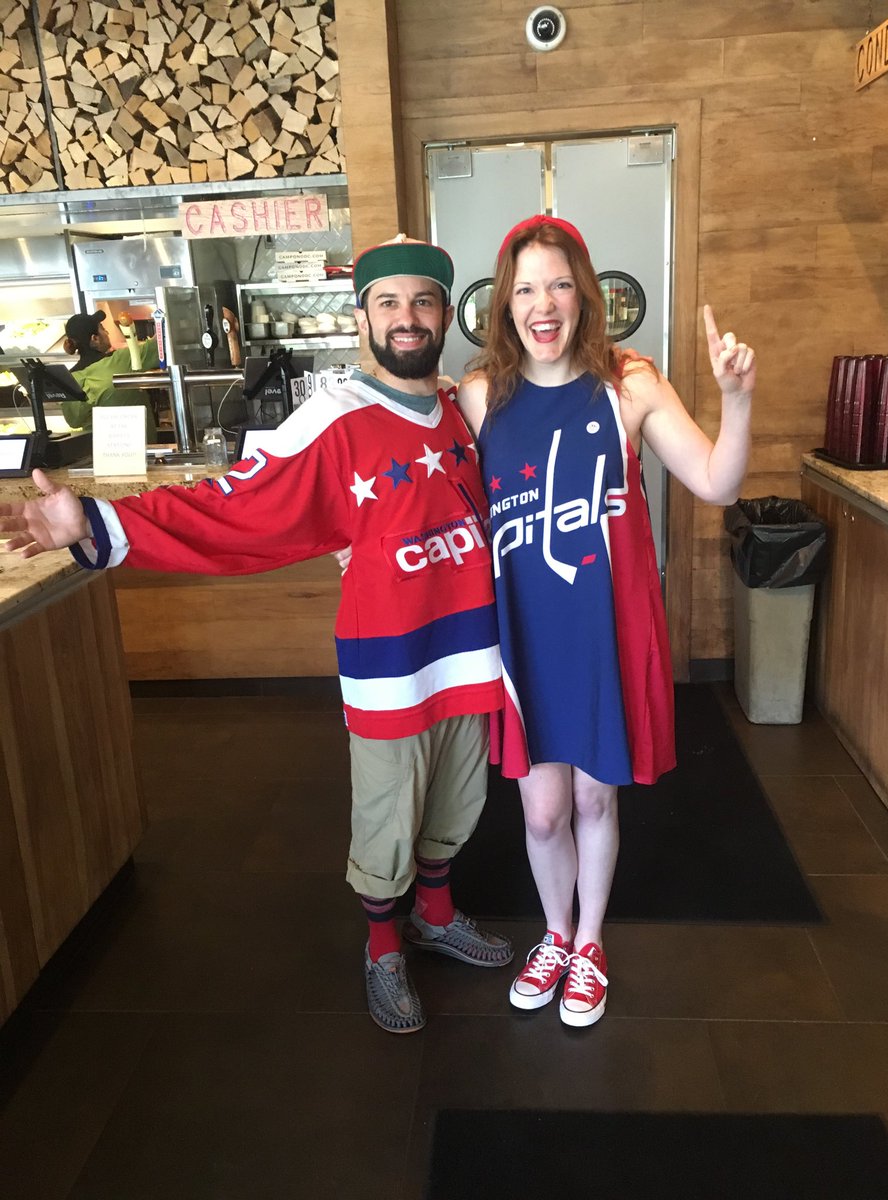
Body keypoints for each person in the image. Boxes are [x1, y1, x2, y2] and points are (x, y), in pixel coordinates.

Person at [0, 236, 513, 1035]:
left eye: (422, 302)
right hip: (392, 661)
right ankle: (384, 948)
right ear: (361, 316)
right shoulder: (335, 419)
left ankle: (436, 915)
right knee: (389, 814)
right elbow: (234, 505)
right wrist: (96, 520)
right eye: (388, 303)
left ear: (446, 313)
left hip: (470, 650)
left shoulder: (457, 409)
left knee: (457, 799)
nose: (406, 318)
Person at [456, 214, 755, 1027]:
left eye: (557, 283)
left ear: (584, 294)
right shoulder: (481, 396)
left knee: (593, 803)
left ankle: (589, 942)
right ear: (504, 303)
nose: (541, 303)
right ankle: (552, 934)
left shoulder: (631, 385)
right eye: (524, 288)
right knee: (541, 810)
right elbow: (424, 493)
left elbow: (718, 482)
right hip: (523, 639)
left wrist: (736, 401)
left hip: (603, 636)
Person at [60, 310, 159, 437]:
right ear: (95, 339)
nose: (107, 333)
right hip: (138, 446)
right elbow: (159, 346)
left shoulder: (70, 378)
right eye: (102, 329)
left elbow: (73, 422)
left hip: (100, 449)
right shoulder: (121, 360)